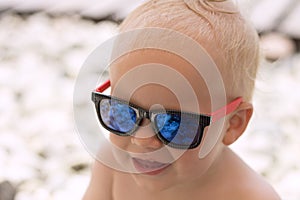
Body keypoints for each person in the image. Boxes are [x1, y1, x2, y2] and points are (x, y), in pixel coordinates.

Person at [83, 0, 281, 199]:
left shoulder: (248, 196)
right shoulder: (113, 166)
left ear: (233, 124)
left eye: (173, 124)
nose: (142, 140)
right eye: (123, 112)